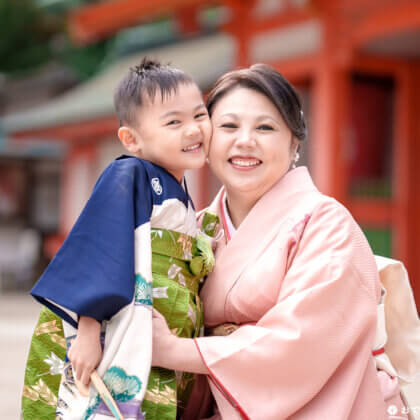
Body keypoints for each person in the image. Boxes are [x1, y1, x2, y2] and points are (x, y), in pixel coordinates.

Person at [150, 64, 412, 419]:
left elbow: (303, 342)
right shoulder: (194, 230)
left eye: (265, 127)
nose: (245, 140)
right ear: (206, 142)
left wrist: (171, 350)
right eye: (228, 126)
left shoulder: (327, 223)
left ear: (294, 145)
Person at [22, 58, 214, 420]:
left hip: (151, 333)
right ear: (132, 139)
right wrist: (88, 329)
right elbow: (100, 245)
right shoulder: (129, 173)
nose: (193, 130)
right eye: (174, 121)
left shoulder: (179, 192)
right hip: (109, 328)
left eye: (200, 116)